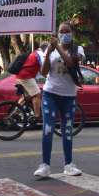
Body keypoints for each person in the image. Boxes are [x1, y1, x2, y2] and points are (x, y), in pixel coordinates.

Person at [33, 22, 84, 179]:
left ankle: (68, 164)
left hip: (68, 95)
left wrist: (58, 47)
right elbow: (43, 71)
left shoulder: (78, 49)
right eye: (61, 32)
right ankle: (45, 165)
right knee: (48, 129)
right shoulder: (51, 49)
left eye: (67, 31)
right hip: (50, 93)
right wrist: (49, 51)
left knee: (67, 130)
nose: (64, 34)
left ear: (72, 33)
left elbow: (70, 62)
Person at [15, 43, 46, 119]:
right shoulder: (40, 54)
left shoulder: (35, 53)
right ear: (45, 49)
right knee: (37, 94)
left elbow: (41, 70)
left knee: (28, 96)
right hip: (26, 76)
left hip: (20, 75)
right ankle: (37, 116)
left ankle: (15, 113)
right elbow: (44, 68)